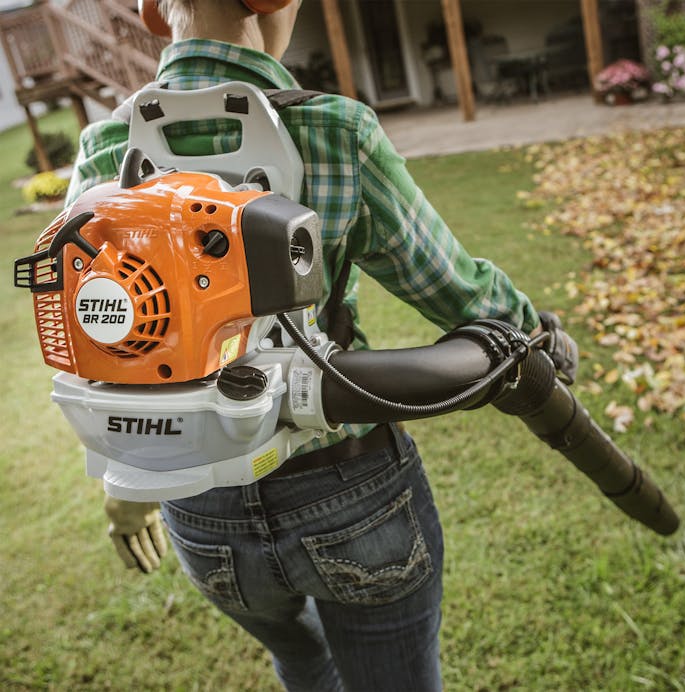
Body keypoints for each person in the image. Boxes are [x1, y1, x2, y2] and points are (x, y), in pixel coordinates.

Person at [65, 1, 566, 689]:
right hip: (350, 488)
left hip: (200, 508)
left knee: (301, 663)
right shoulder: (332, 129)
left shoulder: (103, 147)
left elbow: (97, 333)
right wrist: (537, 334)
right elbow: (466, 298)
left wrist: (124, 479)